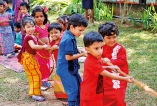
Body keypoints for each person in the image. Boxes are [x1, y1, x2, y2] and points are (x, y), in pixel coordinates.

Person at [80, 31, 132, 106]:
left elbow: (99, 68)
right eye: (96, 48)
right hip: (90, 94)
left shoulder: (95, 57)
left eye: (101, 47)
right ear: (87, 49)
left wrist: (110, 66)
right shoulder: (91, 61)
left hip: (96, 91)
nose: (100, 51)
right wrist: (124, 78)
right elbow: (106, 74)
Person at [56, 13, 87, 106]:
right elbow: (68, 57)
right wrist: (82, 54)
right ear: (72, 27)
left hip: (71, 68)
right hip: (65, 69)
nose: (81, 33)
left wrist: (80, 49)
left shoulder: (70, 35)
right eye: (80, 30)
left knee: (80, 86)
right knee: (73, 90)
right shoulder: (68, 39)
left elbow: (72, 49)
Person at [17, 16, 49, 101]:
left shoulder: (32, 35)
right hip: (28, 59)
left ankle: (35, 91)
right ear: (24, 28)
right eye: (28, 27)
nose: (31, 29)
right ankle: (35, 94)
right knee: (35, 76)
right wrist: (44, 46)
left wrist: (47, 46)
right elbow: (33, 46)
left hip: (31, 58)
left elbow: (38, 40)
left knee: (36, 75)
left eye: (32, 26)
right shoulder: (28, 37)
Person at [98, 22, 129, 106]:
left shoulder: (120, 48)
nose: (112, 40)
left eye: (114, 37)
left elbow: (122, 61)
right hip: (106, 78)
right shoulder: (101, 48)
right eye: (108, 38)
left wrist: (110, 61)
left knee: (118, 98)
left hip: (119, 78)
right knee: (106, 97)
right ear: (102, 38)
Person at [32, 6, 51, 88]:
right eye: (37, 17)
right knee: (41, 65)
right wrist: (44, 45)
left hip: (48, 49)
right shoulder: (35, 28)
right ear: (33, 18)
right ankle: (41, 80)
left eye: (41, 16)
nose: (39, 18)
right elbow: (37, 39)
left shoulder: (47, 26)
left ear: (44, 16)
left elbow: (50, 36)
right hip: (40, 50)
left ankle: (45, 79)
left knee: (47, 65)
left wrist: (50, 44)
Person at [48, 22, 68, 99]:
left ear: (61, 32)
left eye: (56, 32)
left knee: (65, 77)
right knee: (60, 77)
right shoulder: (52, 42)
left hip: (65, 62)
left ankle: (67, 93)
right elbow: (49, 52)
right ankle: (61, 93)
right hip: (58, 62)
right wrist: (52, 48)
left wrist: (58, 47)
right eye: (51, 33)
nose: (54, 35)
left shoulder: (63, 40)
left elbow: (66, 50)